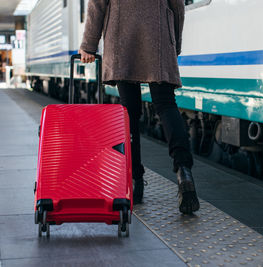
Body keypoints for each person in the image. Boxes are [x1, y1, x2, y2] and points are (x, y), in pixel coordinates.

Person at [79, 0, 200, 214]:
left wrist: (89, 45)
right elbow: (177, 6)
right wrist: (174, 43)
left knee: (128, 113)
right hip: (158, 35)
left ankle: (134, 180)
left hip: (121, 38)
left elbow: (96, 5)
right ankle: (184, 172)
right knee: (166, 105)